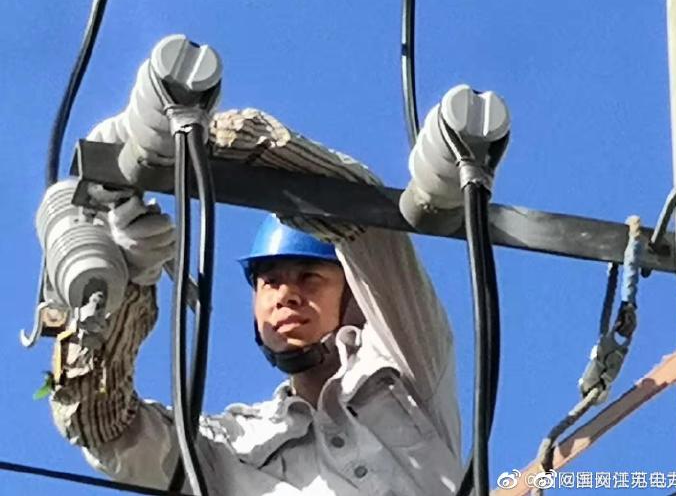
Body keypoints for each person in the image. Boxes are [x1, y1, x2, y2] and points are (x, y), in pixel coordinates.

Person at [46, 109, 463, 495]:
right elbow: (105, 429)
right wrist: (127, 285)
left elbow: (367, 224)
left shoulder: (402, 365)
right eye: (270, 282)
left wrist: (216, 139)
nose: (286, 295)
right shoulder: (228, 446)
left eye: (309, 277)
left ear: (354, 295)